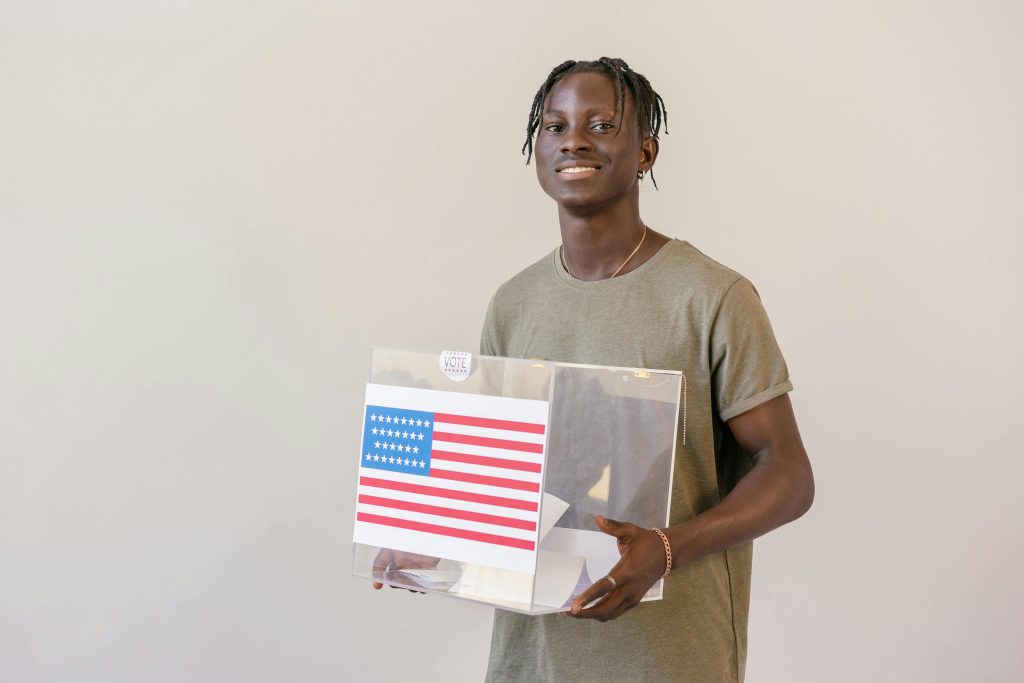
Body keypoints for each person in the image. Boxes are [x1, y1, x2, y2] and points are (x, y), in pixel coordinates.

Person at [478, 57, 815, 682]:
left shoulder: (711, 297)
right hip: (535, 658)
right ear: (537, 150)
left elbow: (789, 473)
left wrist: (666, 547)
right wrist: (430, 540)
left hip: (668, 655)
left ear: (645, 153)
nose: (573, 139)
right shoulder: (513, 303)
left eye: (601, 124)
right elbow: (499, 472)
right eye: (554, 126)